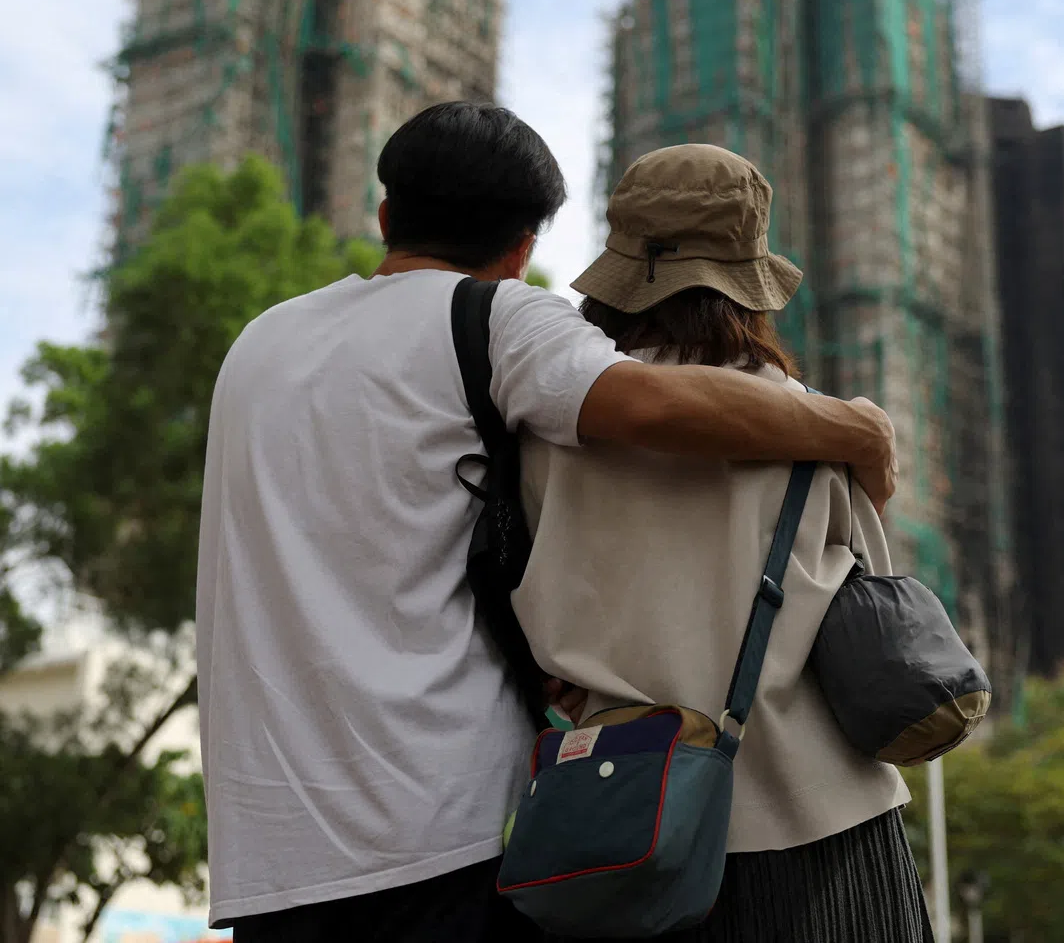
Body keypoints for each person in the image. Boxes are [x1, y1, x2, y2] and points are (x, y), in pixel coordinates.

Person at [195, 104, 899, 942]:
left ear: (386, 217)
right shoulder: (498, 323)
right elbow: (653, 407)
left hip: (272, 855)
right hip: (454, 833)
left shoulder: (259, 343)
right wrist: (857, 429)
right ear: (524, 247)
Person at [513, 143, 933, 943]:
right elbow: (873, 590)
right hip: (821, 818)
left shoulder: (545, 434)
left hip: (621, 827)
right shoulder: (815, 426)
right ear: (748, 280)